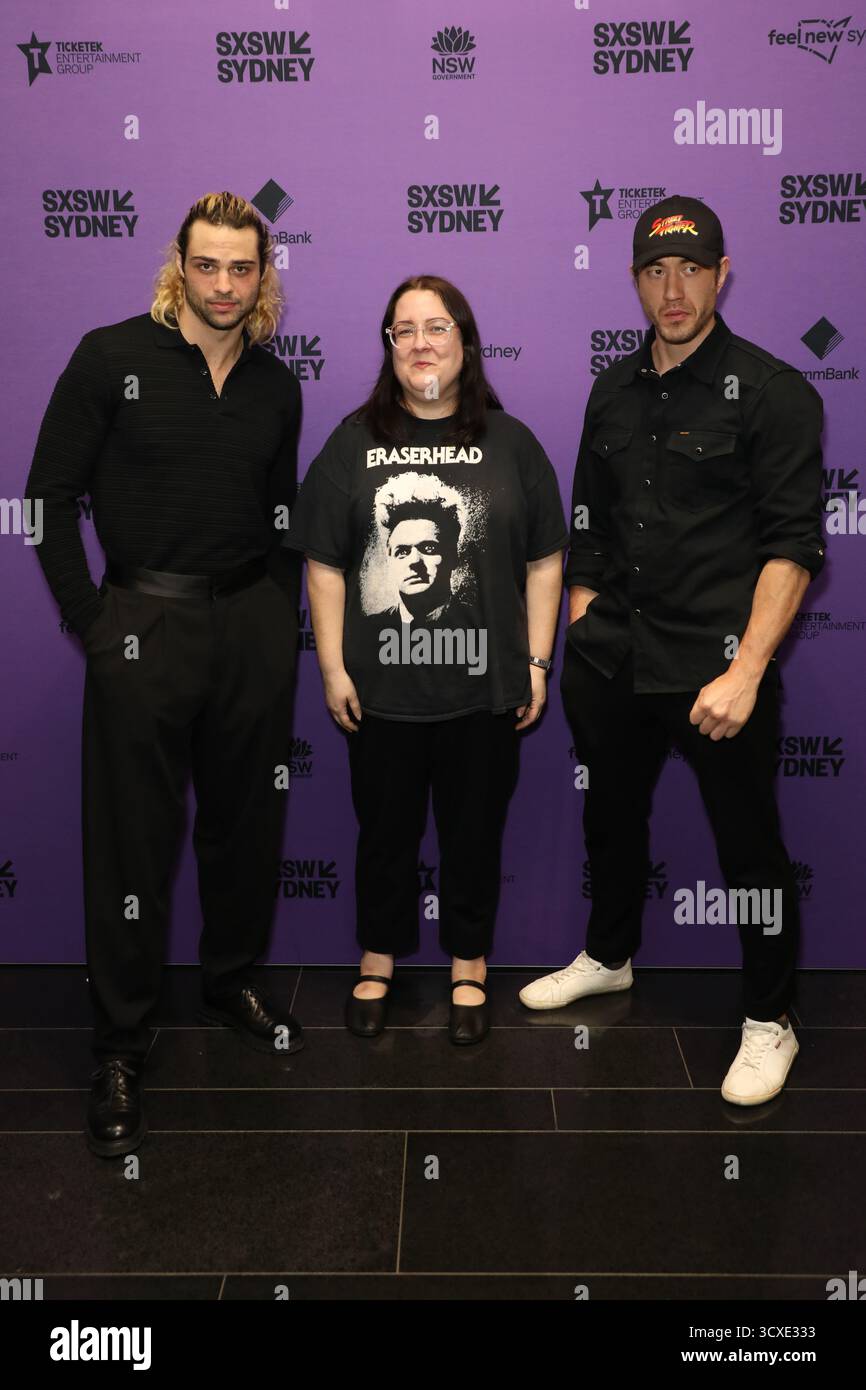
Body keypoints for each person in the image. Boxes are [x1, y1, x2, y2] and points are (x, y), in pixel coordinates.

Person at [521, 197, 826, 1106]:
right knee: (609, 825)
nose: (674, 288)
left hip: (717, 670)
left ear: (722, 273)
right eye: (656, 271)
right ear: (635, 281)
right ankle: (609, 956)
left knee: (751, 856)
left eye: (692, 269)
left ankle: (773, 1022)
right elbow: (593, 530)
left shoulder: (773, 392)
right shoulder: (611, 390)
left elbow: (793, 548)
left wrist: (746, 671)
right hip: (613, 660)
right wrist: (582, 632)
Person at [24, 192, 304, 1157]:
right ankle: (119, 1041)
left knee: (245, 822)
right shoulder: (111, 358)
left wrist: (275, 615)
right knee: (133, 842)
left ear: (263, 275)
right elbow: (47, 501)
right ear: (177, 266)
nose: (225, 286)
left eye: (243, 268)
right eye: (209, 265)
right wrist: (96, 624)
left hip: (252, 625)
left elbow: (280, 512)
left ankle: (230, 981)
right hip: (142, 622)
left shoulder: (275, 384)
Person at [284, 275, 569, 1044]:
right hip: (381, 694)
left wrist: (538, 664)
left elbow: (547, 559)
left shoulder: (511, 442)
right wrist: (334, 669)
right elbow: (324, 563)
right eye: (403, 329)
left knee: (475, 834)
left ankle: (468, 964)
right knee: (384, 834)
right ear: (388, 347)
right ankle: (377, 958)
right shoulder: (354, 440)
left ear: (465, 343)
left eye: (436, 327)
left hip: (486, 689)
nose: (420, 342)